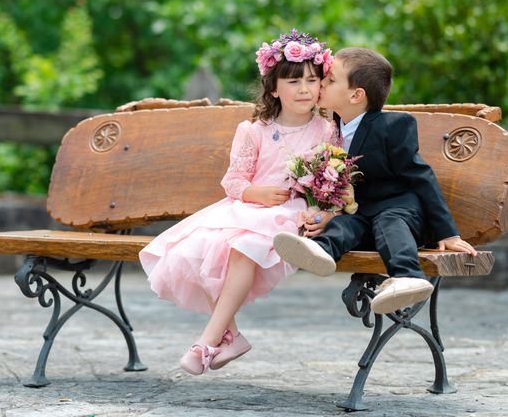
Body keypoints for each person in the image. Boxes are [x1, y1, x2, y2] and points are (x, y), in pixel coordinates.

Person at [139, 29, 336, 375]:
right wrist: (255, 192)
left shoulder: (326, 129)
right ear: (274, 88)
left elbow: (334, 181)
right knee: (198, 249)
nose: (304, 89)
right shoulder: (255, 130)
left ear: (322, 84)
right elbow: (233, 181)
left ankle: (208, 341)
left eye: (311, 79)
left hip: (290, 214)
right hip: (249, 208)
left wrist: (321, 210)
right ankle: (232, 335)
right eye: (293, 82)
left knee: (243, 247)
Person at [273, 47, 477, 314]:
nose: (321, 82)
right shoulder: (329, 130)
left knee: (390, 225)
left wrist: (447, 232)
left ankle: (407, 278)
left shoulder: (392, 125)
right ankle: (319, 251)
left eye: (331, 80)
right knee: (343, 227)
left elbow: (421, 176)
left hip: (400, 210)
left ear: (357, 95)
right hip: (362, 214)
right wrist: (326, 214)